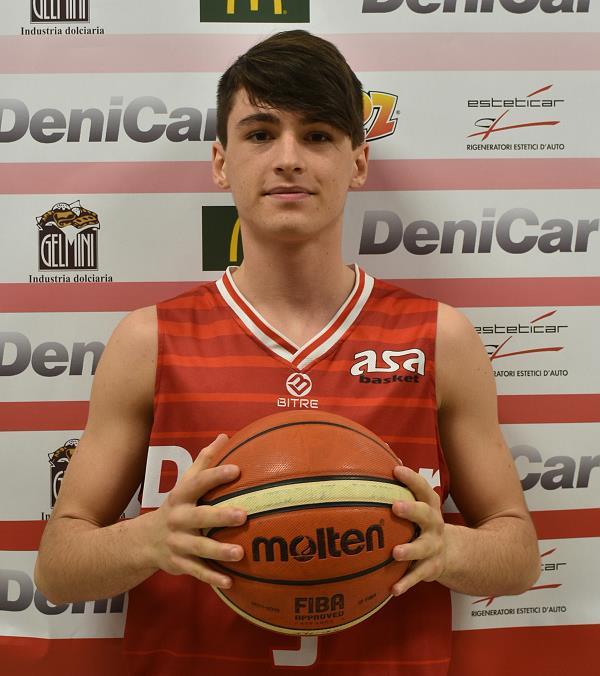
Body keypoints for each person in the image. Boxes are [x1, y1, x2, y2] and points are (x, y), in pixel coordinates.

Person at [35, 30, 540, 675]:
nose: (289, 159)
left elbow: (518, 554)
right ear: (221, 162)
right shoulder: (148, 340)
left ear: (358, 163)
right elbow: (57, 567)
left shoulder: (439, 337)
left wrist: (447, 550)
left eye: (319, 135)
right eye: (260, 133)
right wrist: (150, 539)